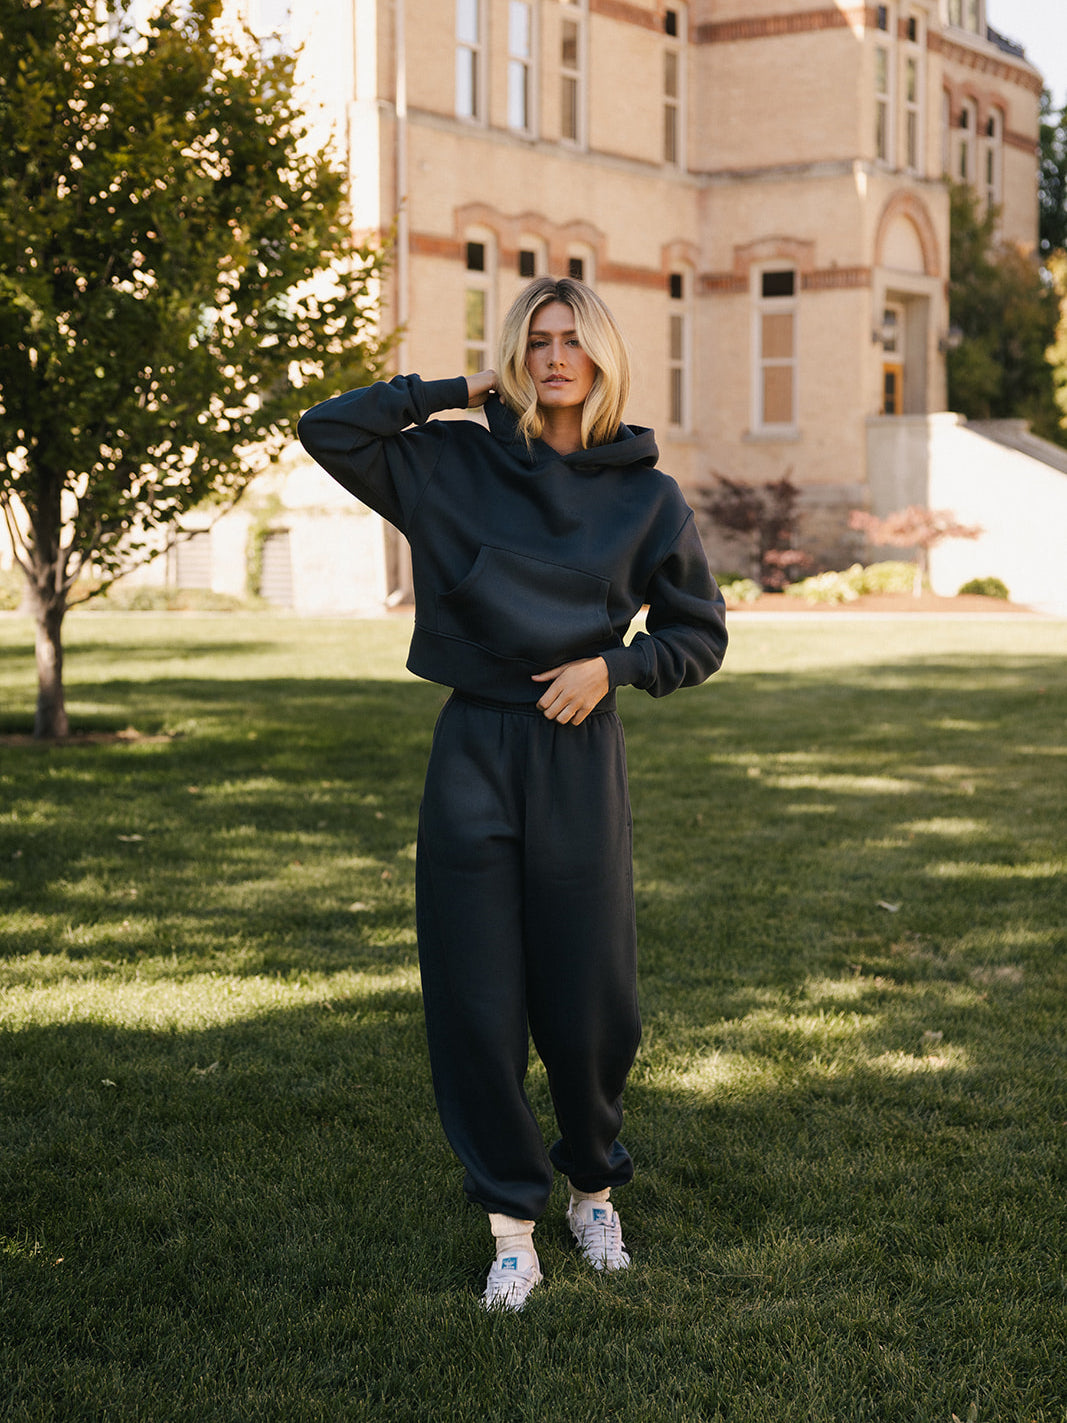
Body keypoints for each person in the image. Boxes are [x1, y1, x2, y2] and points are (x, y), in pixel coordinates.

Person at [298, 277, 727, 1311]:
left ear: (603, 355)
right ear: (512, 356)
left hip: (578, 756)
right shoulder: (452, 462)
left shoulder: (647, 496)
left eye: (571, 340)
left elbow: (698, 634)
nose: (552, 357)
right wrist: (455, 386)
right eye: (534, 341)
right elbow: (327, 428)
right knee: (475, 996)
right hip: (474, 748)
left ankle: (590, 1186)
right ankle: (508, 1223)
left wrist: (611, 670)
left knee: (589, 1002)